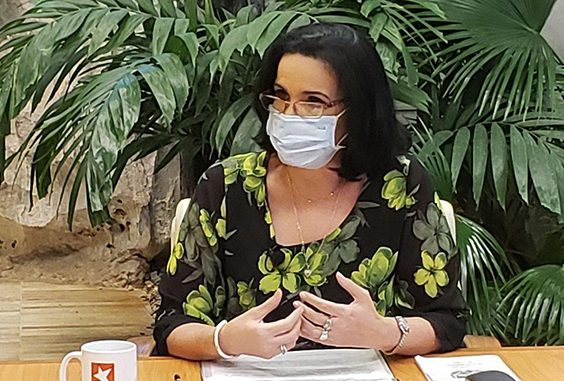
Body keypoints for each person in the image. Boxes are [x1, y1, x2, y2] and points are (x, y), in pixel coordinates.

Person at [153, 23, 466, 360]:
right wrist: (223, 340)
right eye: (280, 96)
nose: (289, 114)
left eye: (313, 102)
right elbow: (171, 325)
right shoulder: (225, 185)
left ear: (358, 110)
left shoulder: (400, 184)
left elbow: (446, 322)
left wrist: (385, 333)